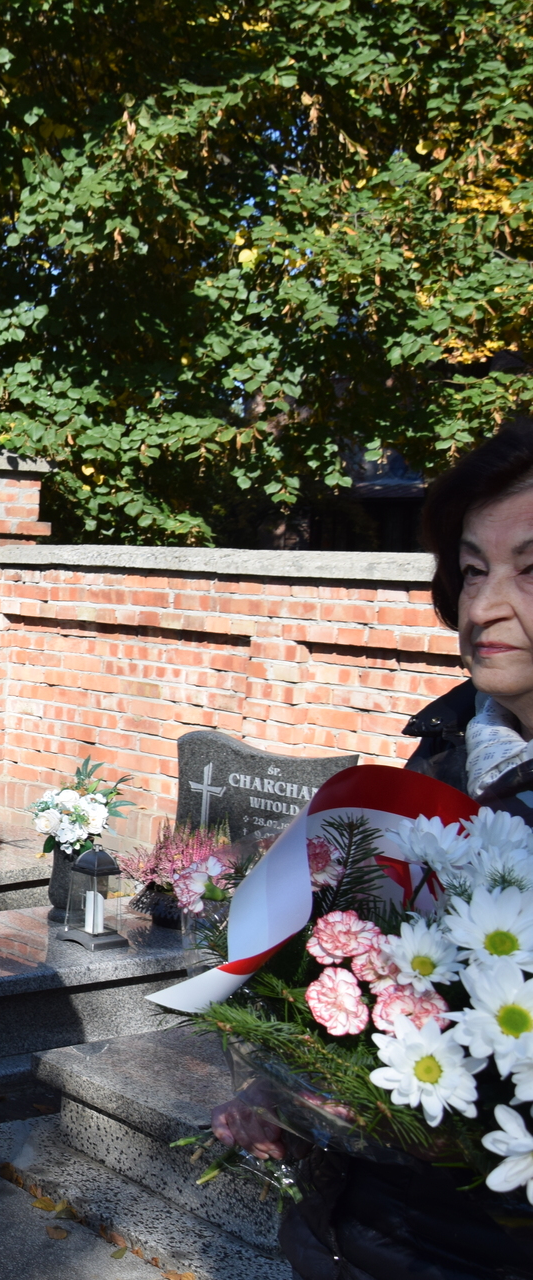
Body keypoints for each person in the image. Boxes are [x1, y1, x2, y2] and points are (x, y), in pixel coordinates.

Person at [210, 419, 533, 1278]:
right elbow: (363, 979)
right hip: (351, 1233)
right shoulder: (448, 753)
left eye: (530, 570)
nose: (484, 604)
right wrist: (290, 1090)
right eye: (471, 570)